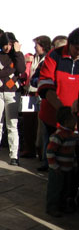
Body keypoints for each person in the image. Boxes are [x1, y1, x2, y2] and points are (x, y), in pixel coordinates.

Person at [38, 28, 79, 174]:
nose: (78, 52)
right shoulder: (54, 55)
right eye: (76, 48)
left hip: (74, 118)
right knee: (53, 150)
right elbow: (45, 85)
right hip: (53, 114)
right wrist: (62, 110)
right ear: (70, 44)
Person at [0, 32, 26, 165]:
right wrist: (11, 71)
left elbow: (21, 69)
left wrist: (18, 52)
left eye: (10, 44)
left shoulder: (17, 56)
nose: (7, 47)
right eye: (5, 44)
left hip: (13, 93)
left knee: (12, 124)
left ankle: (14, 155)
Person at [20, 35, 51, 159]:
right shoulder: (33, 58)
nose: (34, 48)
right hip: (30, 93)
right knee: (29, 123)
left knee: (40, 125)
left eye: (36, 45)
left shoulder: (47, 59)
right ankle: (30, 148)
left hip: (39, 94)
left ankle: (40, 151)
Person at [45, 106, 78, 217]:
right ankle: (52, 207)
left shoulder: (72, 135)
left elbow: (72, 153)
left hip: (68, 168)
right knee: (55, 188)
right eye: (74, 118)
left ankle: (62, 206)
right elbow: (50, 152)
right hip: (57, 169)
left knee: (66, 188)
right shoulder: (58, 136)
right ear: (67, 121)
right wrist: (54, 166)